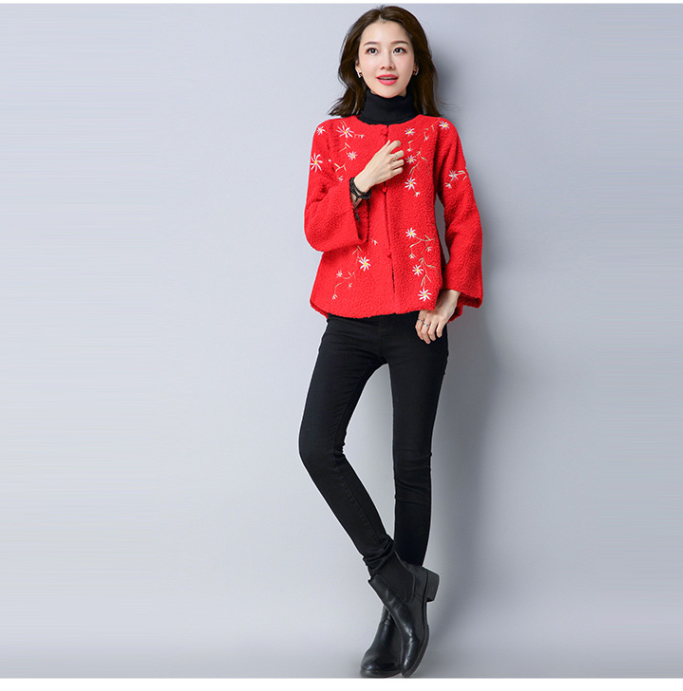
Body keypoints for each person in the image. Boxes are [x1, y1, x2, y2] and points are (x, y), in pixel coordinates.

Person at [298, 5, 483, 678]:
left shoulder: (437, 134)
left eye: (399, 49)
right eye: (373, 49)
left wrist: (450, 296)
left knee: (411, 465)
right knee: (316, 445)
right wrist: (361, 181)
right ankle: (397, 581)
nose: (385, 61)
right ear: (356, 63)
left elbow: (463, 218)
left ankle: (397, 619)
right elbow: (317, 229)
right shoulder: (332, 136)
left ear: (415, 63)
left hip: (416, 324)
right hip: (348, 319)